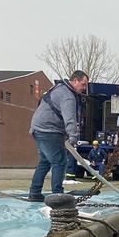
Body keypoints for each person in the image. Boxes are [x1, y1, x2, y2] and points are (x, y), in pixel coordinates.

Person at [28, 70, 89, 201]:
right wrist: (73, 137)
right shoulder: (67, 96)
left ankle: (35, 192)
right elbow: (70, 118)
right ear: (75, 81)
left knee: (45, 162)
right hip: (48, 130)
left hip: (38, 128)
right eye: (83, 84)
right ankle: (58, 194)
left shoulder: (58, 88)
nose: (84, 88)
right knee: (60, 161)